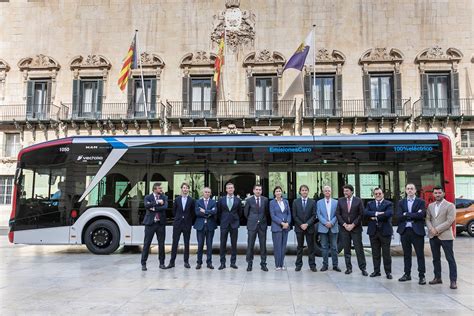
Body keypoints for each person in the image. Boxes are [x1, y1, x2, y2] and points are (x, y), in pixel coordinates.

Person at [426, 186, 458, 289]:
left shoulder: (450, 205)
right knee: (435, 259)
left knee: (450, 259)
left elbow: (450, 221)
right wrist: (431, 229)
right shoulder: (430, 206)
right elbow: (427, 219)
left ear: (443, 193)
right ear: (433, 194)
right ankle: (437, 277)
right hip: (433, 236)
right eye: (435, 193)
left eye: (439, 193)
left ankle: (453, 281)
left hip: (446, 236)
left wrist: (437, 229)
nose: (437, 195)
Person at [397, 183, 426, 285]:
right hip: (405, 231)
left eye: (411, 189)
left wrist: (407, 214)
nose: (409, 190)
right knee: (406, 254)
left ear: (415, 191)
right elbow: (399, 216)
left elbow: (421, 215)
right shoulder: (401, 202)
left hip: (417, 231)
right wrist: (414, 215)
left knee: (420, 254)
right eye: (408, 189)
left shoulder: (421, 202)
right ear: (405, 190)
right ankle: (407, 274)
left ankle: (422, 276)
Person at [336, 184, 368, 276]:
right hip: (344, 229)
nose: (345, 193)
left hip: (356, 229)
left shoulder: (358, 200)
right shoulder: (340, 201)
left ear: (351, 191)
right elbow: (338, 214)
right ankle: (348, 268)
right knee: (346, 249)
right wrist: (345, 224)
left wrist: (353, 224)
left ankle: (363, 268)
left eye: (347, 191)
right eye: (344, 191)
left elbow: (361, 214)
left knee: (359, 249)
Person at [364, 187, 393, 279]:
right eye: (376, 194)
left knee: (386, 253)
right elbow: (365, 213)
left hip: (385, 232)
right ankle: (376, 271)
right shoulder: (369, 203)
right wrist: (378, 214)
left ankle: (388, 272)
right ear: (374, 195)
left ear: (383, 194)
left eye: (379, 193)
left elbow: (388, 214)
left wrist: (374, 216)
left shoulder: (389, 203)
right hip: (373, 232)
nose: (378, 195)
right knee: (375, 253)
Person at [166, 182, 195, 269]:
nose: (185, 189)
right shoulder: (177, 199)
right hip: (177, 224)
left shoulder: (191, 200)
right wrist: (179, 218)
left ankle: (186, 262)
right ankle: (172, 262)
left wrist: (189, 220)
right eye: (184, 188)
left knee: (187, 243)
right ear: (181, 189)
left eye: (187, 188)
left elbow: (193, 213)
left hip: (187, 224)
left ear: (188, 190)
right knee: (175, 243)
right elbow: (173, 211)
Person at [141, 182, 168, 271]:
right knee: (146, 244)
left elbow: (165, 207)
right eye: (160, 188)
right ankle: (143, 264)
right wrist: (157, 202)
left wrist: (153, 208)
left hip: (160, 224)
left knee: (161, 244)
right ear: (155, 189)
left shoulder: (164, 197)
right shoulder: (147, 197)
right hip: (150, 224)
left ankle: (162, 263)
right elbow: (146, 205)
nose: (161, 190)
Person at [217, 182, 242, 270]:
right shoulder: (221, 200)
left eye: (232, 188)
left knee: (234, 244)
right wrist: (223, 220)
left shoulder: (238, 200)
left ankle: (233, 263)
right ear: (226, 189)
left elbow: (240, 212)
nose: (230, 189)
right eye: (229, 188)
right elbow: (219, 212)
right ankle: (222, 263)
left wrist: (236, 220)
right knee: (222, 244)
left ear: (234, 189)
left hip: (234, 224)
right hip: (224, 224)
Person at [244, 184, 269, 272]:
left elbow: (267, 212)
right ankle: (249, 264)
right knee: (250, 245)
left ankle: (263, 264)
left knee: (263, 246)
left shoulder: (265, 200)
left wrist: (261, 220)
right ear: (253, 190)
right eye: (257, 189)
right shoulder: (249, 200)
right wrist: (253, 220)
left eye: (260, 190)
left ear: (261, 191)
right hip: (252, 225)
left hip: (262, 225)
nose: (258, 191)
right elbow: (246, 213)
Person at [292, 184, 317, 272]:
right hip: (299, 228)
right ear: (300, 192)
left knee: (311, 247)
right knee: (299, 247)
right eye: (302, 190)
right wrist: (301, 224)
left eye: (306, 190)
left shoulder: (312, 202)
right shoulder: (295, 202)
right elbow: (294, 215)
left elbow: (314, 215)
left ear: (308, 191)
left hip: (309, 228)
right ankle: (298, 265)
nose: (304, 192)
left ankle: (312, 265)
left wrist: (307, 224)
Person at [316, 185, 340, 272]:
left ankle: (335, 265)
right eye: (325, 191)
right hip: (323, 227)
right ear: (323, 192)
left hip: (333, 227)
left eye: (329, 191)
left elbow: (337, 214)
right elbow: (318, 214)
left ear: (331, 192)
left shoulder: (336, 202)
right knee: (324, 247)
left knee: (334, 247)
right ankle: (325, 265)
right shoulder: (319, 202)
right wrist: (325, 223)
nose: (327, 192)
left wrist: (332, 222)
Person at [194, 187, 217, 270]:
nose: (207, 193)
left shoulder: (213, 202)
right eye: (205, 192)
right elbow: (197, 212)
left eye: (208, 192)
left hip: (210, 226)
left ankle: (209, 263)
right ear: (202, 193)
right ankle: (199, 263)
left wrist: (204, 211)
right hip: (200, 226)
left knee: (209, 245)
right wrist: (209, 212)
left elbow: (214, 212)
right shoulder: (198, 202)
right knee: (200, 245)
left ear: (210, 194)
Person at [270, 186, 292, 270]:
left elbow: (289, 214)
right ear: (274, 193)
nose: (278, 192)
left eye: (279, 191)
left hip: (285, 227)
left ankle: (282, 264)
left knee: (283, 247)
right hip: (277, 227)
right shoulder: (272, 203)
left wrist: (287, 223)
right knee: (277, 247)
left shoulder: (286, 202)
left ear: (281, 192)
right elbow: (273, 216)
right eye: (276, 191)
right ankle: (277, 265)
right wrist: (282, 223)